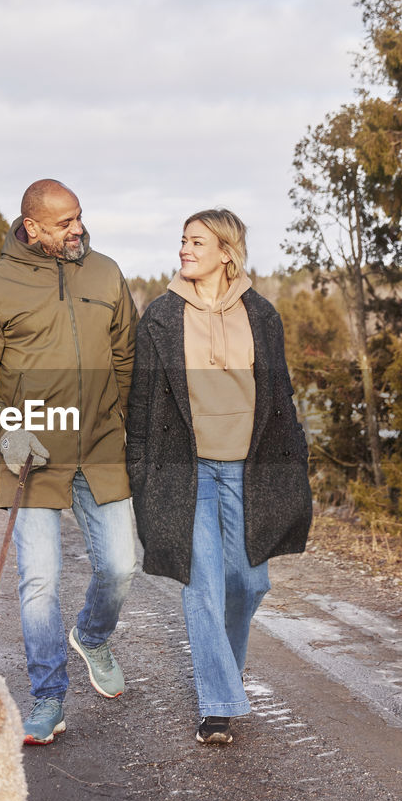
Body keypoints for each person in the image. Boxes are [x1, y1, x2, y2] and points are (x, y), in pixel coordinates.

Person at [0, 179, 139, 745]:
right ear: (32, 227)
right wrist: (6, 431)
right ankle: (48, 698)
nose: (77, 229)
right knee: (39, 581)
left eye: (79, 217)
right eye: (64, 223)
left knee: (121, 565)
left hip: (101, 449)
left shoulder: (105, 273)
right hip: (31, 453)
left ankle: (92, 634)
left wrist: (118, 422)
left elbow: (126, 357)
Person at [126, 208, 312, 745]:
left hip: (249, 469)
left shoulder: (262, 316)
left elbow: (282, 399)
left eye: (197, 242)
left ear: (227, 253)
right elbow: (141, 405)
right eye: (183, 240)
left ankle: (221, 675)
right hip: (187, 472)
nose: (184, 250)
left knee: (248, 582)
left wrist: (294, 465)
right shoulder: (160, 317)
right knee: (201, 584)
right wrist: (141, 475)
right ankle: (218, 703)